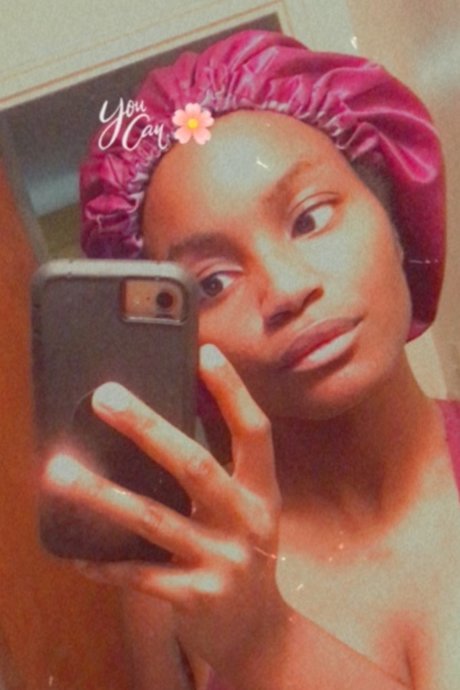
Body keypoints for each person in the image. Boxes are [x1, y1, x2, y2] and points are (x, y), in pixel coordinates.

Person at [54, 30, 460, 689]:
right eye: (212, 282)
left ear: (393, 216)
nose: (287, 289)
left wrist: (267, 646)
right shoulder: (181, 582)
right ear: (180, 340)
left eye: (310, 219)